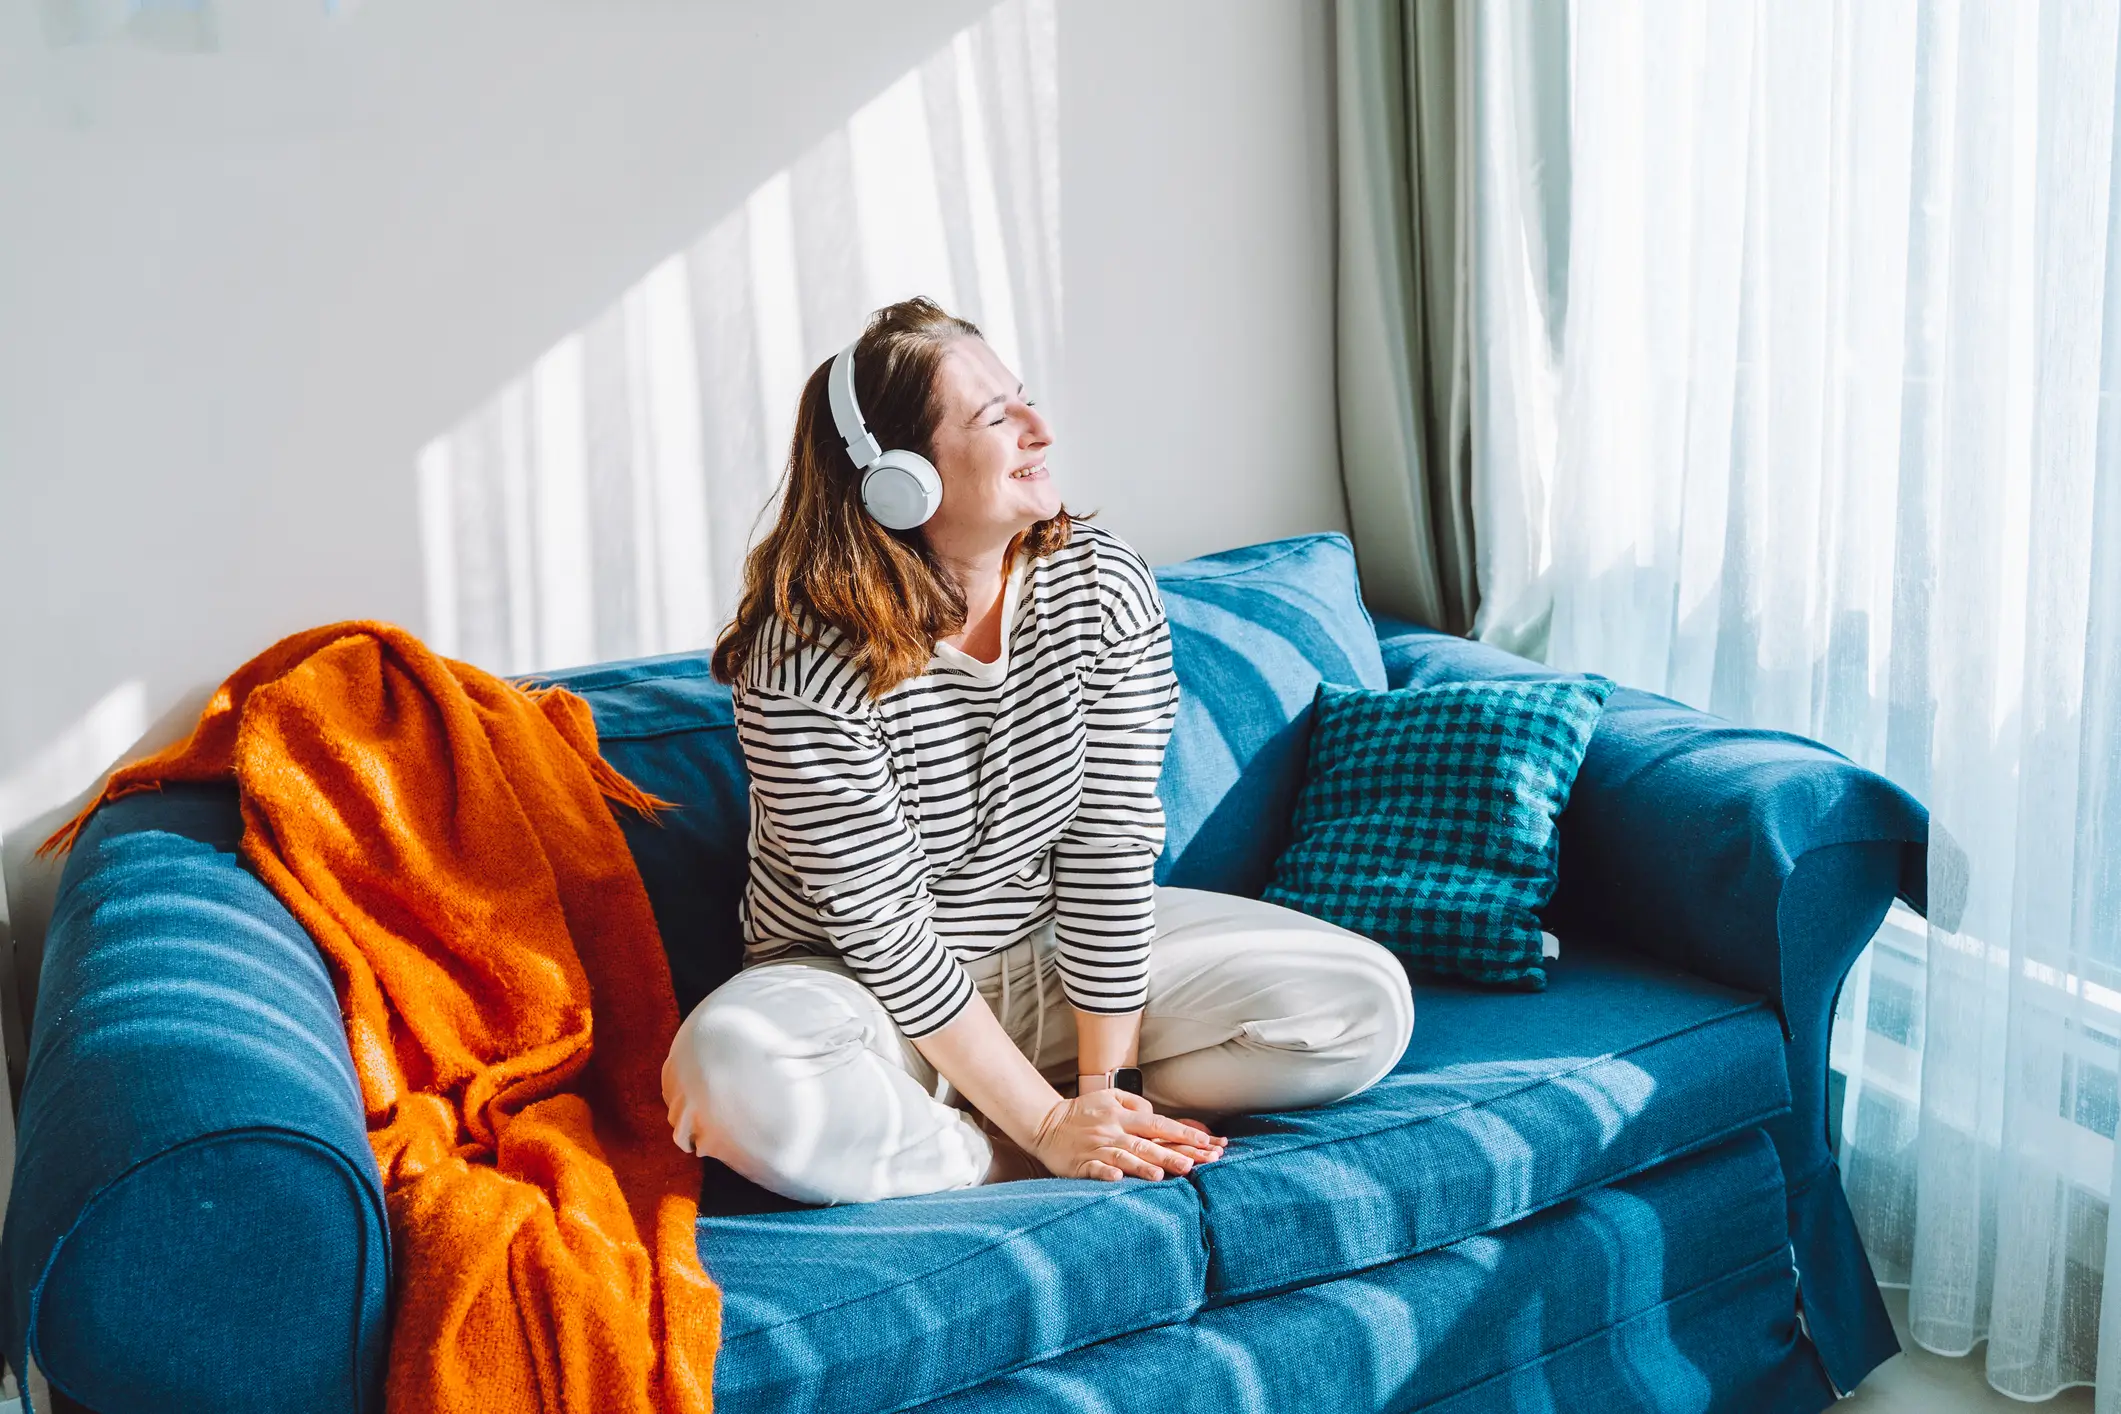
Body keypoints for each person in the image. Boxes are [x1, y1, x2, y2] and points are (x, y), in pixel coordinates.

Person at [661, 296, 1414, 1206]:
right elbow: (885, 933)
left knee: (1363, 1001)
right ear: (899, 477)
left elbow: (1107, 847)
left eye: (1022, 397)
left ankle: (1065, 1127)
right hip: (860, 987)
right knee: (731, 1072)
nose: (1039, 427)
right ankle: (1007, 1150)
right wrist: (1048, 1129)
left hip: (1050, 952)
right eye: (993, 416)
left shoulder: (1099, 583)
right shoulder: (799, 659)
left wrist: (1107, 1089)